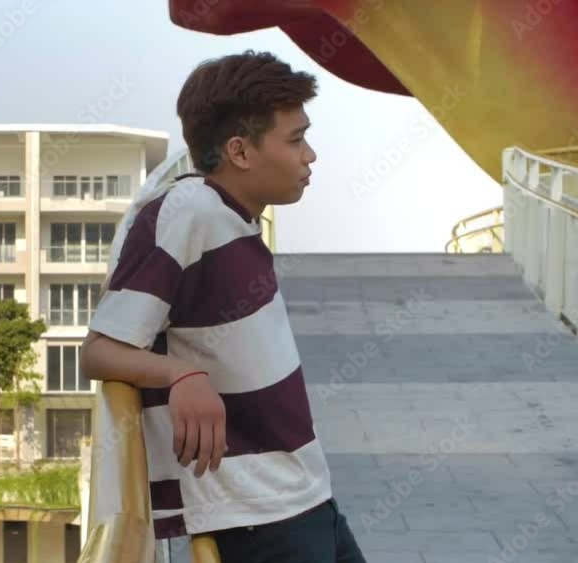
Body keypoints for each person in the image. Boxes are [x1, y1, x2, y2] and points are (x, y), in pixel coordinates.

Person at [80, 50, 366, 563]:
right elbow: (99, 350)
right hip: (256, 519)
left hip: (302, 496)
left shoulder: (235, 218)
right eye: (295, 139)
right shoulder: (186, 211)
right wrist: (181, 375)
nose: (310, 156)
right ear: (240, 151)